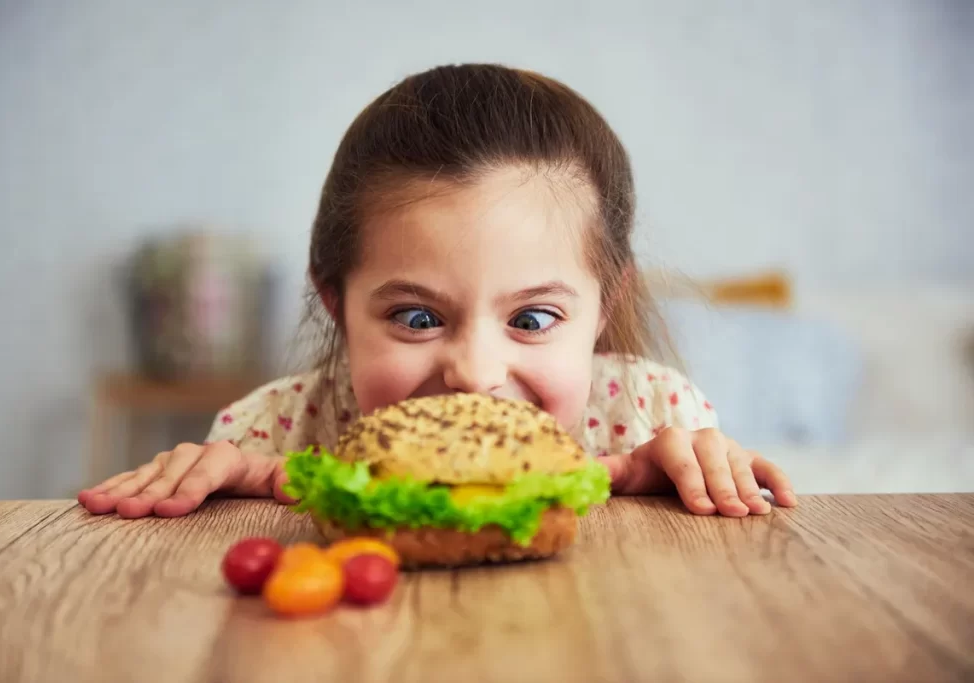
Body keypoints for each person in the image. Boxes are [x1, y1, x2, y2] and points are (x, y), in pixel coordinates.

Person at [78, 64, 796, 520]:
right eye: (418, 317)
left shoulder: (650, 417)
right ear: (336, 303)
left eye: (533, 317)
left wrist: (693, 483)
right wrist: (219, 495)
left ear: (604, 306)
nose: (475, 374)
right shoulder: (267, 434)